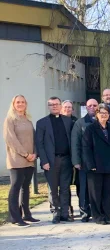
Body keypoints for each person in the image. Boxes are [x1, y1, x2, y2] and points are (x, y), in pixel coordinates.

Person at [35, 96, 74, 223]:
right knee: (53, 188)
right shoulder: (42, 123)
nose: (54, 106)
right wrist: (44, 161)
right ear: (48, 106)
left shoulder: (68, 121)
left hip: (66, 160)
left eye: (56, 104)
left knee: (64, 187)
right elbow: (39, 144)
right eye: (51, 104)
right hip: (51, 161)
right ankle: (55, 213)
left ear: (60, 106)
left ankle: (65, 213)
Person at [4, 95, 39, 227]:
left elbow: (34, 138)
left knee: (26, 187)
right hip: (16, 160)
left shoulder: (28, 119)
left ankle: (27, 214)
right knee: (15, 187)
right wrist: (25, 154)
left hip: (30, 159)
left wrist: (34, 153)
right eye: (18, 102)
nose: (20, 104)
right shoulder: (10, 120)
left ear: (26, 104)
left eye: (23, 102)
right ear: (13, 104)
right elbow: (11, 140)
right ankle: (15, 217)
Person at [82, 104, 110, 225]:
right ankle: (98, 217)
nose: (104, 115)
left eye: (106, 113)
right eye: (101, 112)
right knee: (95, 194)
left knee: (108, 193)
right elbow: (86, 148)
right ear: (97, 114)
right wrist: (90, 164)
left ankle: (107, 216)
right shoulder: (90, 129)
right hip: (95, 166)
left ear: (109, 115)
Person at [71, 98, 99, 222]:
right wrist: (76, 161)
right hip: (84, 162)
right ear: (86, 108)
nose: (92, 107)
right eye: (90, 105)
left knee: (96, 188)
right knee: (83, 188)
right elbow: (75, 143)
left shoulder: (103, 121)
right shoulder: (80, 123)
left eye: (95, 105)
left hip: (99, 162)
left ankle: (96, 210)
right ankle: (84, 212)